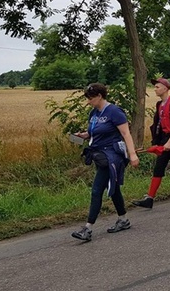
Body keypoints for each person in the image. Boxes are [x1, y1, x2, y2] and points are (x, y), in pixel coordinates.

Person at [71, 83, 140, 242]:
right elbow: (93, 132)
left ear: (100, 96)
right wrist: (83, 135)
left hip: (112, 156)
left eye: (90, 98)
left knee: (96, 190)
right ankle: (123, 219)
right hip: (100, 156)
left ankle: (87, 229)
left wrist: (132, 154)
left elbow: (126, 134)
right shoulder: (93, 113)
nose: (88, 102)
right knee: (113, 188)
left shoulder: (114, 112)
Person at [131, 78, 170, 209]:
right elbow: (158, 125)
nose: (155, 89)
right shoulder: (160, 105)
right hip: (165, 139)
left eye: (157, 87)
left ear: (165, 88)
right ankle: (150, 198)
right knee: (158, 167)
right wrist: (157, 143)